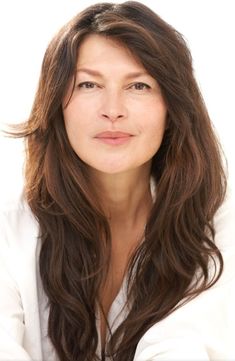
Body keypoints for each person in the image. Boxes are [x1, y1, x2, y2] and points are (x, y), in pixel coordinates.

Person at [0, 1, 234, 360]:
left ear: (171, 107)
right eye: (89, 84)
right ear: (56, 104)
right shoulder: (9, 227)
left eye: (138, 86)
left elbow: (185, 348)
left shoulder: (219, 224)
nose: (113, 109)